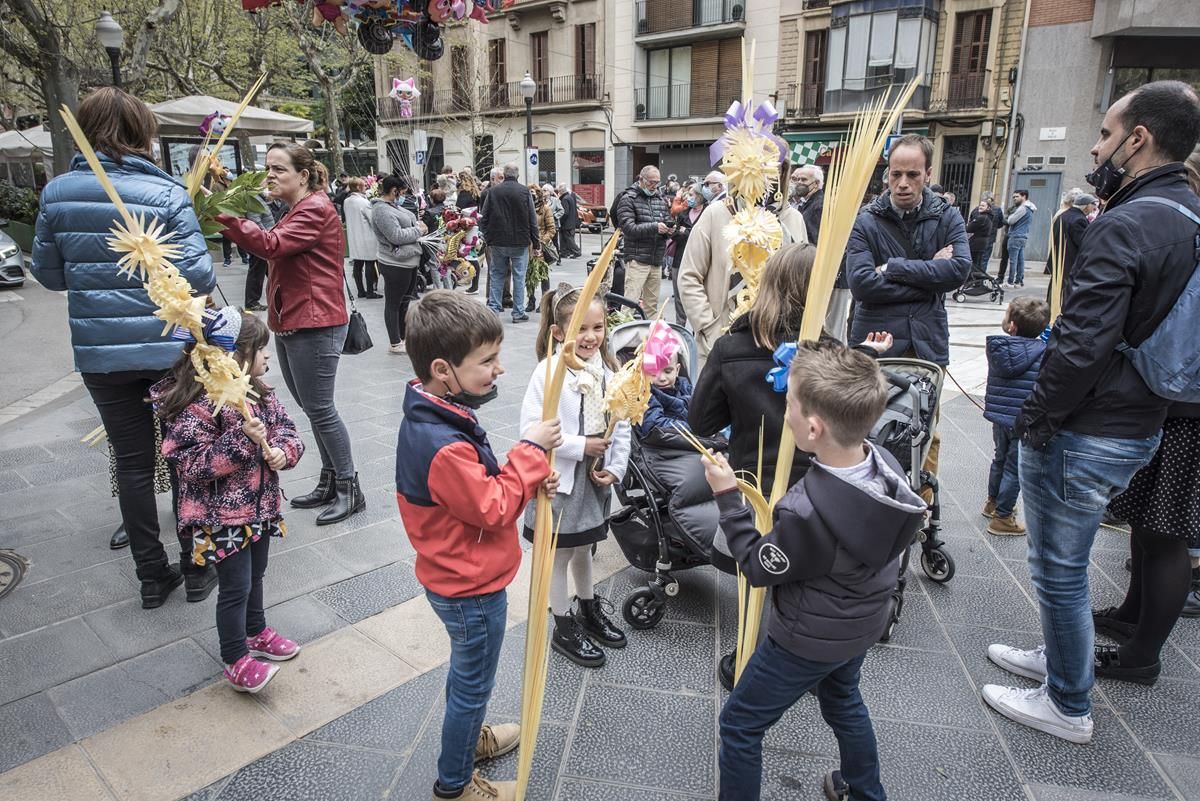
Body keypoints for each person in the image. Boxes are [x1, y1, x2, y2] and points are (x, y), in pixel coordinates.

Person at [983, 79, 1200, 744]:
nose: (1097, 146)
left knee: (1059, 567)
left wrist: (1036, 416)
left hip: (1090, 425)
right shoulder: (1185, 212)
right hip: (1138, 416)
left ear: (1138, 140)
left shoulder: (1130, 221)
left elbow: (1081, 343)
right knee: (1064, 566)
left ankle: (1067, 700)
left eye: (1105, 134)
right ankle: (1059, 658)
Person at [703, 340, 926, 801]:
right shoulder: (884, 465)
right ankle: (865, 790)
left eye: (790, 404)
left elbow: (758, 566)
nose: (785, 411)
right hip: (862, 622)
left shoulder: (806, 511)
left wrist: (728, 497)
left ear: (812, 427)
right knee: (843, 701)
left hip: (807, 639)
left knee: (741, 724)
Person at [32, 86, 218, 608]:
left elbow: (47, 274)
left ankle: (152, 576)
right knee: (186, 455)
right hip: (170, 351)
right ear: (144, 133)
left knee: (132, 463)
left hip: (101, 355)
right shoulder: (166, 194)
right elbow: (200, 272)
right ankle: (198, 566)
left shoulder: (57, 193)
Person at [690, 243, 892, 687]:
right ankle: (796, 656)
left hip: (752, 490)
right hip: (819, 498)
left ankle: (752, 658)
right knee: (801, 582)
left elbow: (701, 420)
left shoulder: (730, 349)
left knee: (758, 573)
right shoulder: (832, 354)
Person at [396, 290, 563, 801]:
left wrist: (525, 475)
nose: (499, 369)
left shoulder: (437, 414)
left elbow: (480, 491)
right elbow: (492, 506)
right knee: (472, 687)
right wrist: (531, 454)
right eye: (487, 361)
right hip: (469, 588)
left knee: (467, 678)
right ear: (443, 369)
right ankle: (455, 784)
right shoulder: (441, 443)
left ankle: (467, 742)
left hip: (459, 576)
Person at [154, 310, 304, 693]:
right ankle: (235, 658)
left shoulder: (258, 392)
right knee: (235, 586)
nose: (267, 357)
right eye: (260, 349)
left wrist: (285, 452)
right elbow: (190, 464)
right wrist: (241, 442)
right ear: (231, 355)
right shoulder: (199, 405)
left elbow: (288, 429)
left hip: (261, 509)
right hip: (221, 519)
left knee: (256, 576)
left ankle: (256, 631)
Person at [218, 142, 363, 527]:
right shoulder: (295, 209)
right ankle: (331, 480)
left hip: (315, 323)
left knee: (321, 409)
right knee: (314, 409)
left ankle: (350, 488)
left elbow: (270, 245)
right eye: (268, 168)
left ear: (302, 174)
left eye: (279, 169)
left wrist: (224, 215)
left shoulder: (314, 208)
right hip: (295, 320)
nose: (270, 175)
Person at [521, 285, 631, 668]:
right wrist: (579, 446)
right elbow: (531, 427)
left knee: (586, 548)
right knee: (560, 553)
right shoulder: (548, 372)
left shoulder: (609, 369)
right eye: (580, 329)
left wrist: (616, 466)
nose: (590, 337)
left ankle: (588, 607)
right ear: (557, 332)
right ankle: (562, 622)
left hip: (594, 479)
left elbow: (624, 422)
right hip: (560, 479)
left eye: (597, 328)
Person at [678, 172, 807, 368]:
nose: (766, 177)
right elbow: (689, 276)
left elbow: (804, 279)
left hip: (780, 345)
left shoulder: (793, 218)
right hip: (723, 339)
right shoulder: (716, 214)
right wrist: (709, 327)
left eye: (775, 168)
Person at [982, 297, 1049, 536]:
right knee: (1014, 468)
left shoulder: (999, 348)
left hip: (1000, 418)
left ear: (1012, 326)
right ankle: (1003, 517)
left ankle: (992, 502)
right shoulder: (1043, 352)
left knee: (999, 459)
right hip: (1024, 420)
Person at [371, 175, 426, 355]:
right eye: (402, 192)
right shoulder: (381, 210)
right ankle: (395, 341)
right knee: (394, 303)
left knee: (404, 302)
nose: (403, 195)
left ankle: (403, 337)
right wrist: (418, 230)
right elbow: (395, 236)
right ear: (394, 191)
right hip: (395, 263)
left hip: (409, 260)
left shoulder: (394, 207)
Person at [480, 162, 539, 323]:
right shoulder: (524, 192)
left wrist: (487, 237)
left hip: (497, 241)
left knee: (497, 275)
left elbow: (483, 218)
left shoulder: (493, 192)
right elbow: (532, 219)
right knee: (519, 277)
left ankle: (493, 309)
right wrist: (536, 244)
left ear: (504, 175)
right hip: (520, 241)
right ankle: (518, 312)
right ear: (517, 175)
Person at [613, 165, 672, 318]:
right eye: (651, 182)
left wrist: (669, 231)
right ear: (641, 179)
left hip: (656, 260)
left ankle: (649, 339)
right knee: (629, 305)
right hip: (637, 260)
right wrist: (655, 227)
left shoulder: (660, 199)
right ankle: (623, 338)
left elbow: (667, 220)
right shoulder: (628, 198)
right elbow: (628, 229)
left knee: (652, 306)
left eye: (657, 182)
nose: (654, 186)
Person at [668, 184, 707, 326]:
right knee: (679, 296)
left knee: (698, 297)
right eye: (688, 195)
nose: (688, 198)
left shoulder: (707, 213)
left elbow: (703, 237)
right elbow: (675, 234)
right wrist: (682, 232)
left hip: (699, 261)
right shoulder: (683, 213)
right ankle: (680, 326)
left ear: (700, 196)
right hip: (680, 258)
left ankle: (698, 328)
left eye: (692, 195)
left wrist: (686, 232)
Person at [1048, 192, 1094, 306]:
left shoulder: (1063, 215)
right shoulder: (1079, 219)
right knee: (1065, 292)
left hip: (1059, 259)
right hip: (1069, 261)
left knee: (1056, 289)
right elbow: (1083, 243)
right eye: (1093, 204)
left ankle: (1052, 312)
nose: (1094, 207)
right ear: (1086, 205)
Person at [636, 348, 691, 438]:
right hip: (661, 446)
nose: (662, 378)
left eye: (668, 371)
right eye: (654, 372)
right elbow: (653, 424)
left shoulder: (685, 386)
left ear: (677, 370)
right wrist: (692, 428)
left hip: (691, 441)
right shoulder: (646, 394)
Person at [343, 177, 380, 300]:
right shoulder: (364, 202)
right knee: (370, 262)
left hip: (354, 235)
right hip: (367, 236)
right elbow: (372, 220)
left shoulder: (347, 201)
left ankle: (360, 290)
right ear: (358, 187)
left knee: (358, 264)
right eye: (364, 185)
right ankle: (370, 291)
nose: (366, 187)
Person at [525, 184, 557, 313]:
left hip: (540, 247)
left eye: (534, 193)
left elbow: (551, 229)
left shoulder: (545, 209)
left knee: (543, 275)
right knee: (529, 275)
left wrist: (541, 242)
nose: (532, 196)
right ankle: (531, 300)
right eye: (529, 193)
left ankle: (544, 302)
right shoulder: (525, 208)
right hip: (527, 247)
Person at [1004, 189, 1036, 287]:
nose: (1014, 199)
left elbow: (1011, 220)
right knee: (1020, 260)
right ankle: (1019, 280)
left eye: (1017, 196)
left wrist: (1009, 217)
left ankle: (1010, 281)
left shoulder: (1023, 208)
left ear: (1024, 196)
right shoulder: (1031, 208)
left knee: (1013, 261)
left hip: (1016, 235)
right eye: (1013, 197)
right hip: (1023, 236)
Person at [967, 199, 995, 274]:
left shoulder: (982, 218)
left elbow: (969, 228)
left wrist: (970, 223)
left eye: (983, 205)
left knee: (975, 264)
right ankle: (977, 281)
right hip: (982, 243)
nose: (980, 207)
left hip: (977, 244)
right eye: (980, 205)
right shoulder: (988, 217)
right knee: (978, 263)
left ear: (988, 208)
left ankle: (975, 281)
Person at [556, 183, 580, 258]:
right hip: (571, 222)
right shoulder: (569, 197)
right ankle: (564, 252)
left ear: (560, 191)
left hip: (567, 223)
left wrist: (561, 221)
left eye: (558, 191)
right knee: (564, 238)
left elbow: (565, 213)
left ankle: (577, 251)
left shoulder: (565, 199)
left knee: (569, 239)